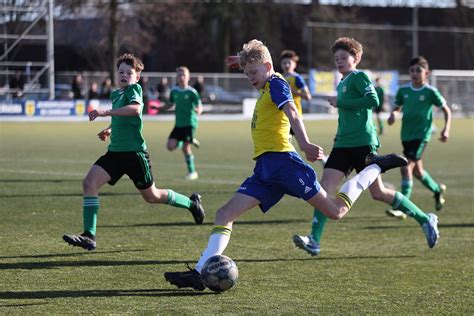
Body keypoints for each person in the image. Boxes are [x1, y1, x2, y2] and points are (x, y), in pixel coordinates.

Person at [163, 39, 409, 291]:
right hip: (265, 170)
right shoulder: (265, 82)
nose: (250, 78)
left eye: (253, 73)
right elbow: (258, 60)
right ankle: (201, 273)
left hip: (285, 164)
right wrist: (244, 61)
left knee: (335, 211)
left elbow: (292, 111)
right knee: (224, 214)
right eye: (246, 73)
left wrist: (305, 143)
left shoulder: (277, 83)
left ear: (268, 66)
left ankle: (375, 167)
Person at [292, 38, 440, 257]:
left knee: (378, 193)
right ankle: (314, 240)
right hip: (343, 145)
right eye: (336, 59)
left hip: (363, 143)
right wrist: (338, 135)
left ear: (356, 58)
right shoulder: (342, 83)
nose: (339, 61)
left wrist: (342, 103)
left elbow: (372, 100)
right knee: (324, 189)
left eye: (344, 57)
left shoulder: (359, 77)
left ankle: (425, 218)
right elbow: (348, 116)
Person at [63, 54, 205, 251]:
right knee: (89, 183)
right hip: (115, 153)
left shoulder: (134, 90)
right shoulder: (117, 94)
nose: (123, 75)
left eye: (128, 73)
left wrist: (104, 112)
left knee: (152, 196)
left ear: (136, 77)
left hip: (135, 155)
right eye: (120, 71)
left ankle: (191, 204)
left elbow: (135, 110)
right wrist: (110, 129)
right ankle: (89, 235)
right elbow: (121, 117)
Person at [386, 56, 451, 218]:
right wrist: (393, 115)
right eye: (412, 70)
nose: (414, 73)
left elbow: (446, 110)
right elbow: (396, 107)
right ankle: (437, 190)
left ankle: (403, 208)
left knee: (405, 167)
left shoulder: (430, 92)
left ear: (426, 73)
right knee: (417, 172)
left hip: (422, 136)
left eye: (418, 71)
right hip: (406, 135)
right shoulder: (404, 90)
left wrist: (446, 129)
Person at [164, 66, 203, 180]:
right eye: (179, 75)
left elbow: (199, 105)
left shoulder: (192, 92)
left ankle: (192, 172)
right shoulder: (174, 91)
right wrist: (159, 108)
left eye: (183, 75)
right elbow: (170, 104)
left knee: (186, 148)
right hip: (178, 124)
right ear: (176, 77)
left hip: (190, 123)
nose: (181, 77)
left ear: (188, 77)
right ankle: (190, 140)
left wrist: (199, 110)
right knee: (170, 146)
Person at [279, 49, 312, 134]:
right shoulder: (279, 78)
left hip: (295, 115)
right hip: (281, 117)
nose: (286, 65)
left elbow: (308, 97)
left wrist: (293, 91)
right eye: (284, 63)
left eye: (289, 62)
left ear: (295, 64)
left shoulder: (297, 78)